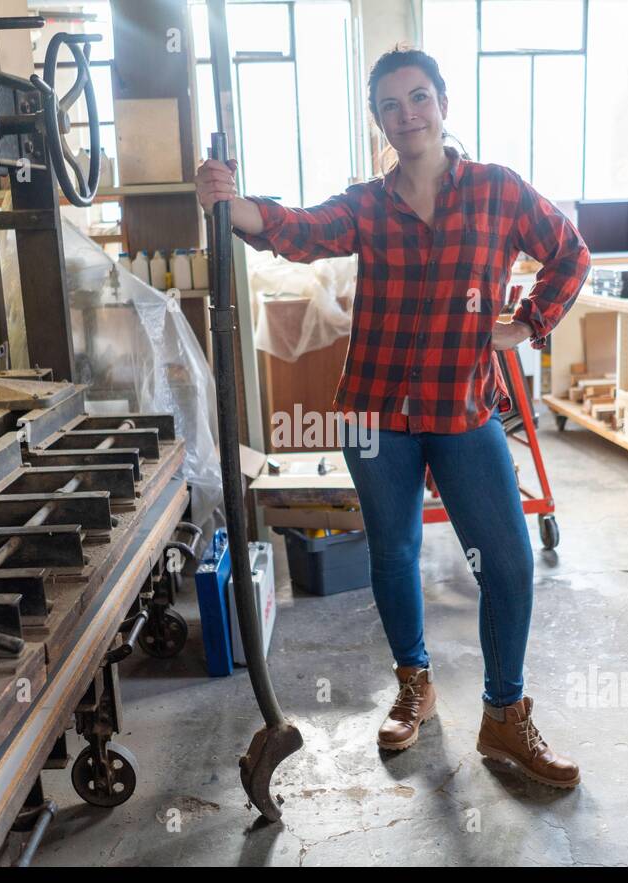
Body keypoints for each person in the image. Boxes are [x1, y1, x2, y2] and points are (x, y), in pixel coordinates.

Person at [196, 47, 590, 788]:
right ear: (377, 119)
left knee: (507, 563)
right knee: (393, 553)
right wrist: (228, 200)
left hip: (464, 407)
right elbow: (297, 229)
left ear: (442, 102)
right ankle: (415, 682)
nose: (407, 115)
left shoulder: (498, 191)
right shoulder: (368, 203)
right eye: (390, 105)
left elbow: (569, 252)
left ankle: (505, 714)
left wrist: (529, 322)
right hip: (374, 414)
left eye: (418, 98)